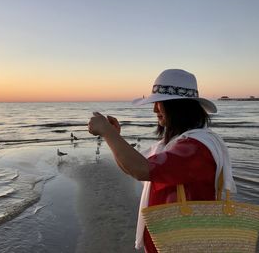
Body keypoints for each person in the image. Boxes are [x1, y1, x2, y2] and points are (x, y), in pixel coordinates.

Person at [88, 69, 236, 253]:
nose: (154, 109)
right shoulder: (177, 145)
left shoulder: (196, 148)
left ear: (176, 107)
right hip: (168, 239)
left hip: (183, 242)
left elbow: (141, 169)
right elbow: (133, 167)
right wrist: (115, 137)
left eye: (159, 103)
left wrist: (107, 133)